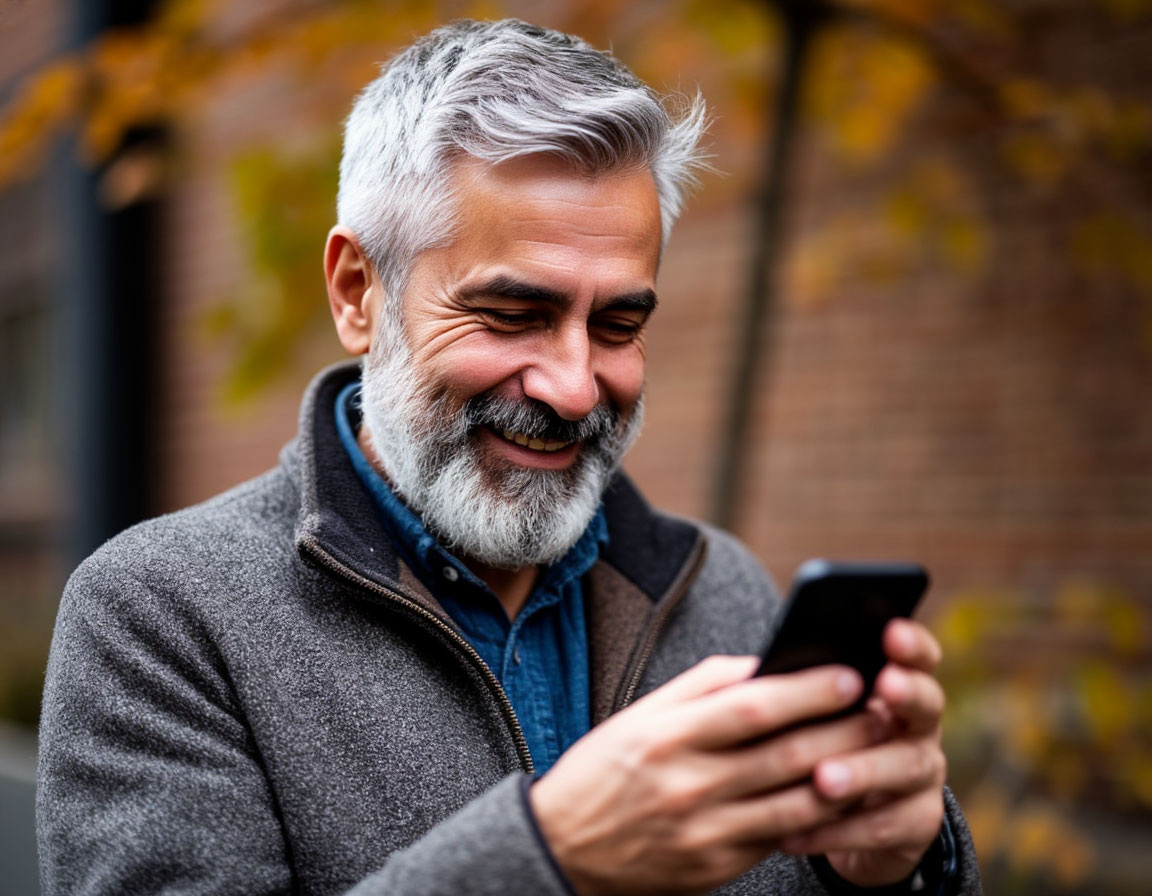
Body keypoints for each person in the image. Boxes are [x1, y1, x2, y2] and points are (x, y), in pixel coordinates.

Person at [37, 18, 980, 896]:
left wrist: (884, 872)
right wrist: (554, 853)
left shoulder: (724, 593)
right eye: (512, 315)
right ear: (359, 292)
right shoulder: (160, 616)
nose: (574, 387)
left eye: (617, 323)